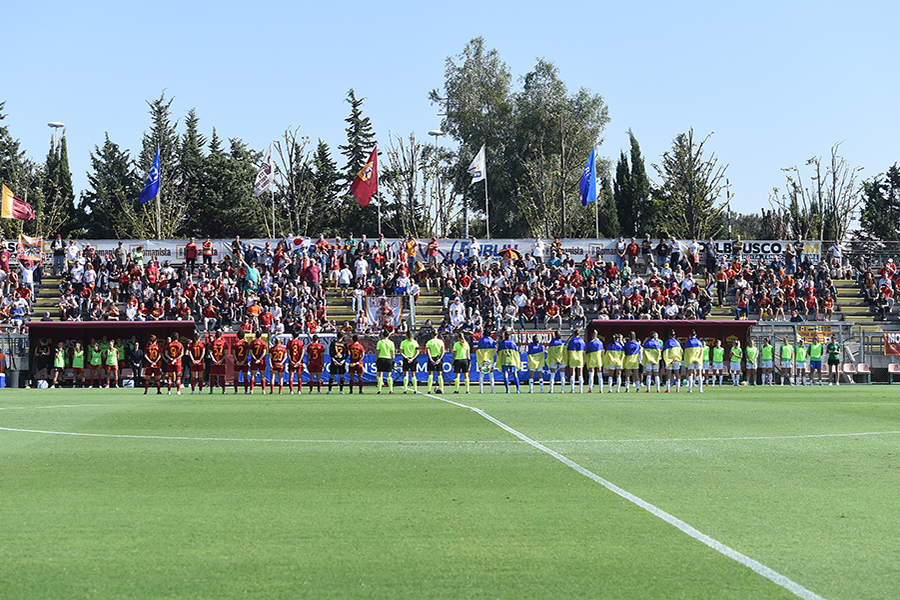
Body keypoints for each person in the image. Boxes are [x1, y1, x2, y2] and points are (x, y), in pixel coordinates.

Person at [475, 329, 497, 393]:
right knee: (491, 375)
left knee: (481, 376)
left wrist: (479, 362)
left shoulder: (481, 341)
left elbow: (478, 352)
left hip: (482, 360)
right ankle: (492, 390)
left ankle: (481, 390)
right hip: (490, 360)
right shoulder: (492, 341)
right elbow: (494, 352)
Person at [376, 330, 396, 394]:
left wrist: (376, 359)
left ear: (383, 335)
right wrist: (393, 360)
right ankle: (391, 390)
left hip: (381, 358)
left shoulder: (380, 342)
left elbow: (377, 352)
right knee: (389, 375)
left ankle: (379, 390)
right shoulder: (391, 343)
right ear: (388, 335)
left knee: (380, 374)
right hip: (388, 359)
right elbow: (393, 353)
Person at [566, 328, 585, 394]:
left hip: (572, 358)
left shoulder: (571, 341)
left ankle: (572, 389)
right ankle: (581, 389)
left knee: (572, 373)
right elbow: (584, 351)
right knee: (580, 374)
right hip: (580, 358)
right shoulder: (582, 341)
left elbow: (568, 350)